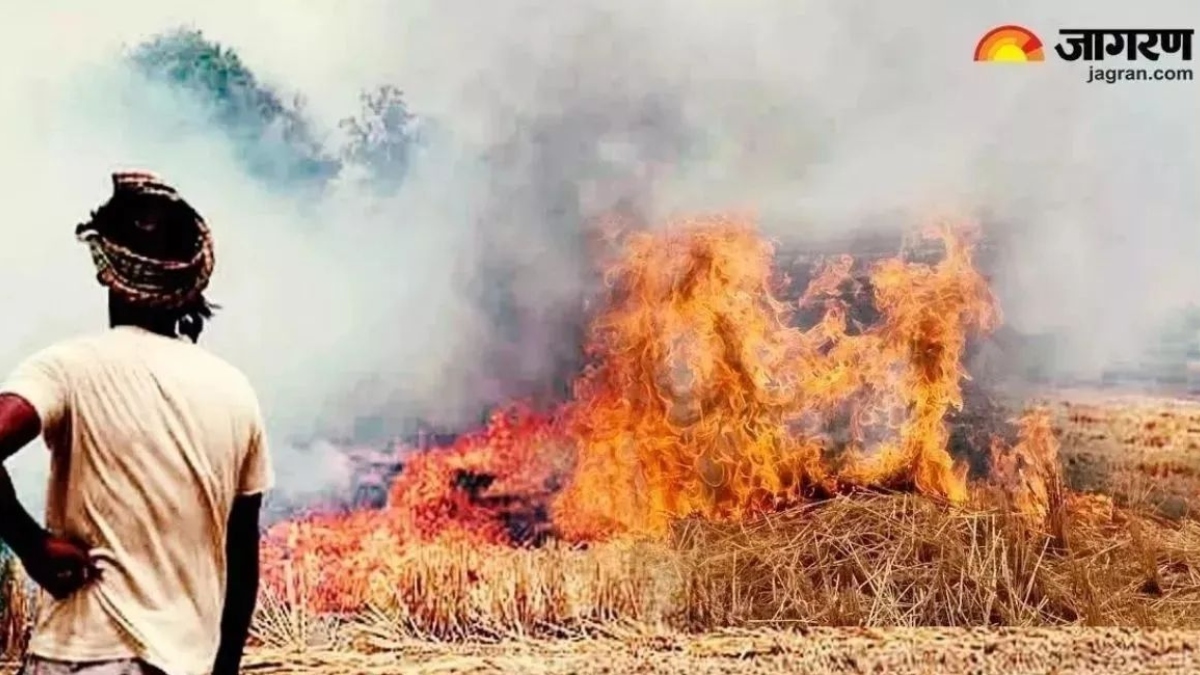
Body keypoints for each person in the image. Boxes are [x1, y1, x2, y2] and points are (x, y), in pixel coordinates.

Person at [0, 171, 274, 675]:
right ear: (192, 280)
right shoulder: (236, 391)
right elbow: (242, 566)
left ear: (106, 269)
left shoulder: (66, 369)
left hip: (83, 659)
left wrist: (31, 545)